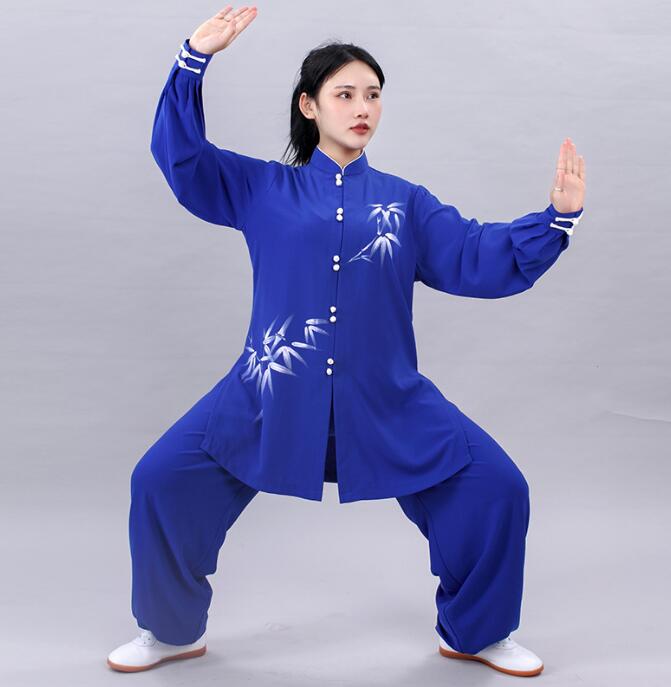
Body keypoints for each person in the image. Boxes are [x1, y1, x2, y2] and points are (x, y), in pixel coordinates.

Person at [106, 4, 586, 677]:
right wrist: (194, 58)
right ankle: (169, 630)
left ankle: (476, 633)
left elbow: (474, 255)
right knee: (160, 480)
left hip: (386, 397)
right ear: (309, 105)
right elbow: (184, 161)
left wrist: (556, 220)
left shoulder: (404, 202)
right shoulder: (261, 187)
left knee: (497, 487)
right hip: (267, 395)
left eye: (373, 95)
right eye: (345, 94)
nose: (362, 108)